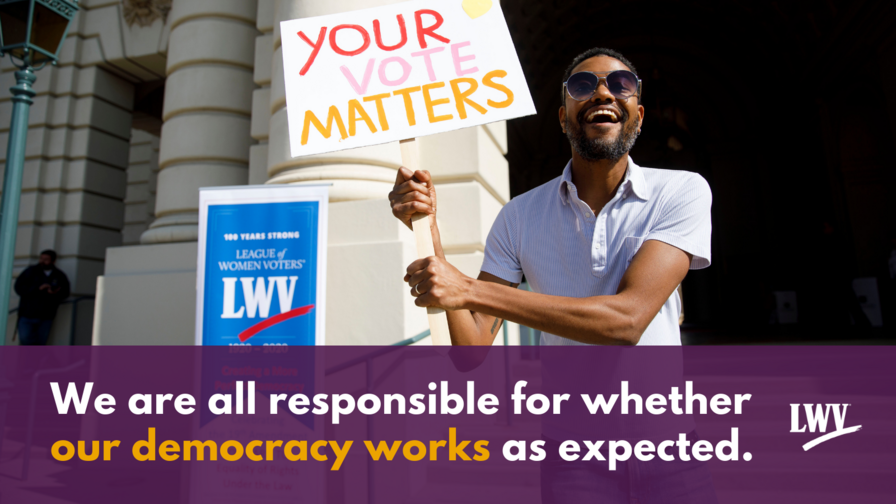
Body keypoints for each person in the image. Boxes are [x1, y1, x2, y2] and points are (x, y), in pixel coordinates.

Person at [390, 47, 715, 503]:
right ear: (563, 118)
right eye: (583, 86)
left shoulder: (680, 190)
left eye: (620, 84)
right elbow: (471, 349)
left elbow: (627, 321)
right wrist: (431, 235)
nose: (602, 91)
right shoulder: (519, 215)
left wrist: (468, 289)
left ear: (638, 116)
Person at [14, 249, 70, 345]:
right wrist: (38, 288)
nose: (42, 261)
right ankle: (29, 358)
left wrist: (55, 292)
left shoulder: (59, 275)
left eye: (46, 259)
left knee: (41, 343)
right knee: (25, 338)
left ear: (53, 261)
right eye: (41, 258)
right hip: (27, 313)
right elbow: (19, 287)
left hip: (46, 315)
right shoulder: (30, 271)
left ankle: (34, 359)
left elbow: (65, 292)